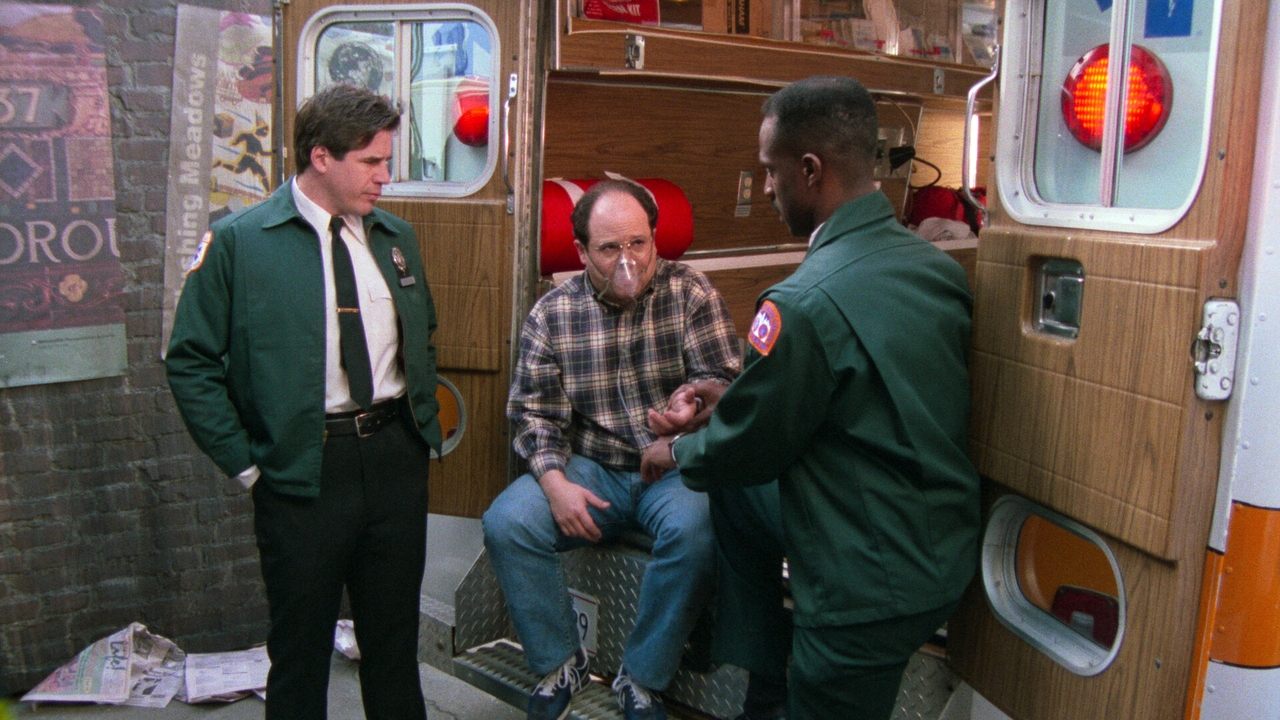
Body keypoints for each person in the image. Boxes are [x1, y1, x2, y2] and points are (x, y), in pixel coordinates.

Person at [642, 75, 980, 720]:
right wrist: (734, 396)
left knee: (724, 475)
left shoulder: (801, 301)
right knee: (739, 496)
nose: (767, 188)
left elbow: (749, 447)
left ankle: (780, 687)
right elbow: (852, 389)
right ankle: (763, 674)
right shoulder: (931, 266)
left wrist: (676, 451)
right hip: (940, 540)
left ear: (809, 170)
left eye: (771, 171)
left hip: (867, 583)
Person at [166, 83, 441, 720]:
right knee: (300, 650)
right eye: (371, 162)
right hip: (302, 472)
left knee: (394, 645)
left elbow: (422, 330)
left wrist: (417, 432)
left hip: (394, 460)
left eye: (387, 160)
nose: (385, 176)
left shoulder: (395, 237)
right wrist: (247, 465)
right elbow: (190, 361)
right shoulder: (241, 243)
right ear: (321, 157)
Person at [482, 180, 741, 720]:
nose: (629, 261)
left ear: (654, 239)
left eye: (638, 243)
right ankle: (561, 661)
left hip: (669, 468)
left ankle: (641, 677)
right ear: (581, 253)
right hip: (592, 466)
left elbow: (725, 385)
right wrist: (555, 484)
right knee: (508, 523)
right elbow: (533, 415)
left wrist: (687, 416)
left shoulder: (691, 292)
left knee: (697, 531)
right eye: (609, 248)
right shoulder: (552, 314)